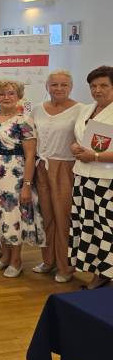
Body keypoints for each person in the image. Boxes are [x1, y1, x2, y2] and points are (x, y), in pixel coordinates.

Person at [0, 80, 44, 278]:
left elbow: (30, 156)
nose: (6, 97)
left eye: (10, 93)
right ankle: (5, 257)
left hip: (13, 176)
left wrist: (27, 185)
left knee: (12, 216)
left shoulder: (24, 121)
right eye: (1, 94)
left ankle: (16, 261)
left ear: (19, 96)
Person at [32, 71, 82, 282]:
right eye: (54, 85)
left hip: (65, 168)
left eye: (64, 85)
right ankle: (49, 260)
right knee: (45, 217)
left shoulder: (81, 110)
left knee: (63, 218)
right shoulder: (37, 109)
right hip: (41, 168)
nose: (59, 89)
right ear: (47, 86)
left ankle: (66, 266)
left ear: (71, 87)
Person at [70, 66, 113, 290]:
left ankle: (107, 273)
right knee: (89, 225)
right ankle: (98, 272)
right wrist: (75, 147)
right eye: (93, 86)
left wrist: (95, 156)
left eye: (104, 85)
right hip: (83, 176)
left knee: (107, 228)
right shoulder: (87, 109)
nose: (98, 90)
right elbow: (82, 138)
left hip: (107, 180)